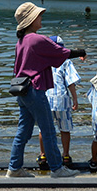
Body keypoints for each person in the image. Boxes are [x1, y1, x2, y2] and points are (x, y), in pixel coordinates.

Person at [7, 2, 87, 178]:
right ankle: (57, 169)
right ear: (31, 19)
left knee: (23, 131)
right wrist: (81, 51)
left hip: (22, 91)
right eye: (39, 15)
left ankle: (14, 168)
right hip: (35, 89)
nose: (41, 17)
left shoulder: (20, 42)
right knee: (49, 130)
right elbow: (60, 53)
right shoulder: (37, 39)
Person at [36, 36, 81, 170]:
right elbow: (71, 82)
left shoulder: (42, 60)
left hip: (46, 99)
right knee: (65, 129)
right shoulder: (66, 61)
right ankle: (66, 156)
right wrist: (75, 99)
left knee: (43, 129)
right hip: (62, 100)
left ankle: (43, 155)